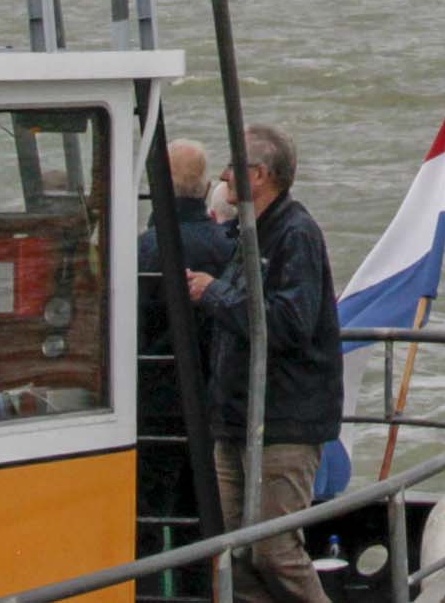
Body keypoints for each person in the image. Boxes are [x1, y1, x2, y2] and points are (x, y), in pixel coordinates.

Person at [186, 126, 339, 603]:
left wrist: (215, 293)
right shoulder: (243, 233)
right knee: (236, 553)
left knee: (274, 548)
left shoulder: (296, 235)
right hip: (234, 420)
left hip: (283, 423)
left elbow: (289, 323)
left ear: (258, 175)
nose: (224, 176)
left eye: (232, 167)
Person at [134, 140, 237, 552]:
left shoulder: (143, 250)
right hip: (212, 399)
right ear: (207, 185)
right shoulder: (227, 247)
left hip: (153, 402)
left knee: (148, 517)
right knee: (202, 517)